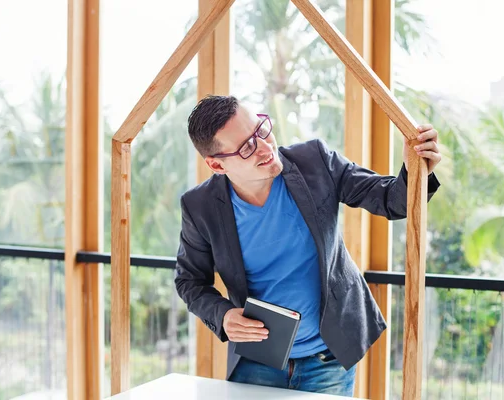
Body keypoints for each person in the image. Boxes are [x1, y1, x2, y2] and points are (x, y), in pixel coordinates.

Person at [174, 95, 441, 397]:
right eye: (247, 147)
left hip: (328, 357)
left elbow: (390, 200)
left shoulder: (314, 160)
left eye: (261, 129)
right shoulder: (200, 206)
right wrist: (223, 314)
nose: (265, 147)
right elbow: (189, 281)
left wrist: (416, 172)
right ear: (216, 165)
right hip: (257, 359)